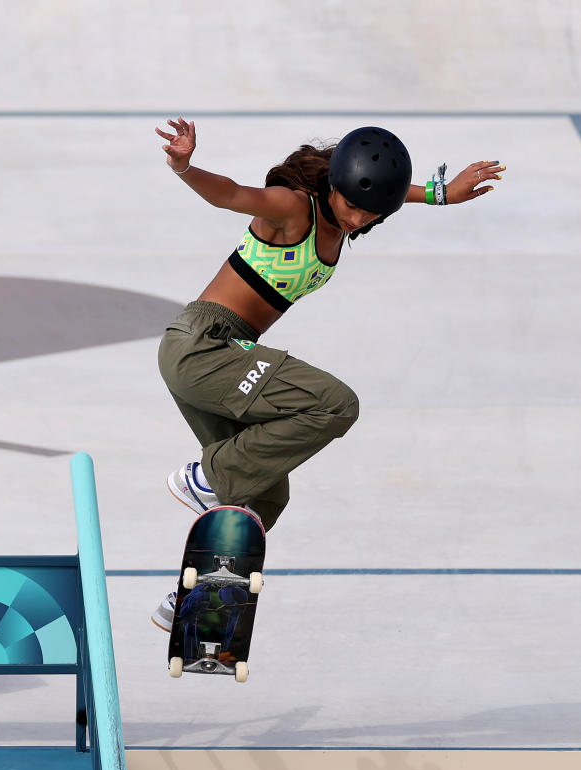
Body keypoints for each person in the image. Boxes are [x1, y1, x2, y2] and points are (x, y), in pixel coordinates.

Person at [150, 119, 503, 631]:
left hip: (224, 355)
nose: (359, 220)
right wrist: (184, 166)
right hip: (203, 346)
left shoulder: (358, 208)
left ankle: (196, 597)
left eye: (372, 214)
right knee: (335, 404)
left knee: (267, 493)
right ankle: (203, 478)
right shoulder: (294, 209)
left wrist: (441, 193)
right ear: (333, 186)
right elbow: (230, 195)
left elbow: (389, 192)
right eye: (353, 206)